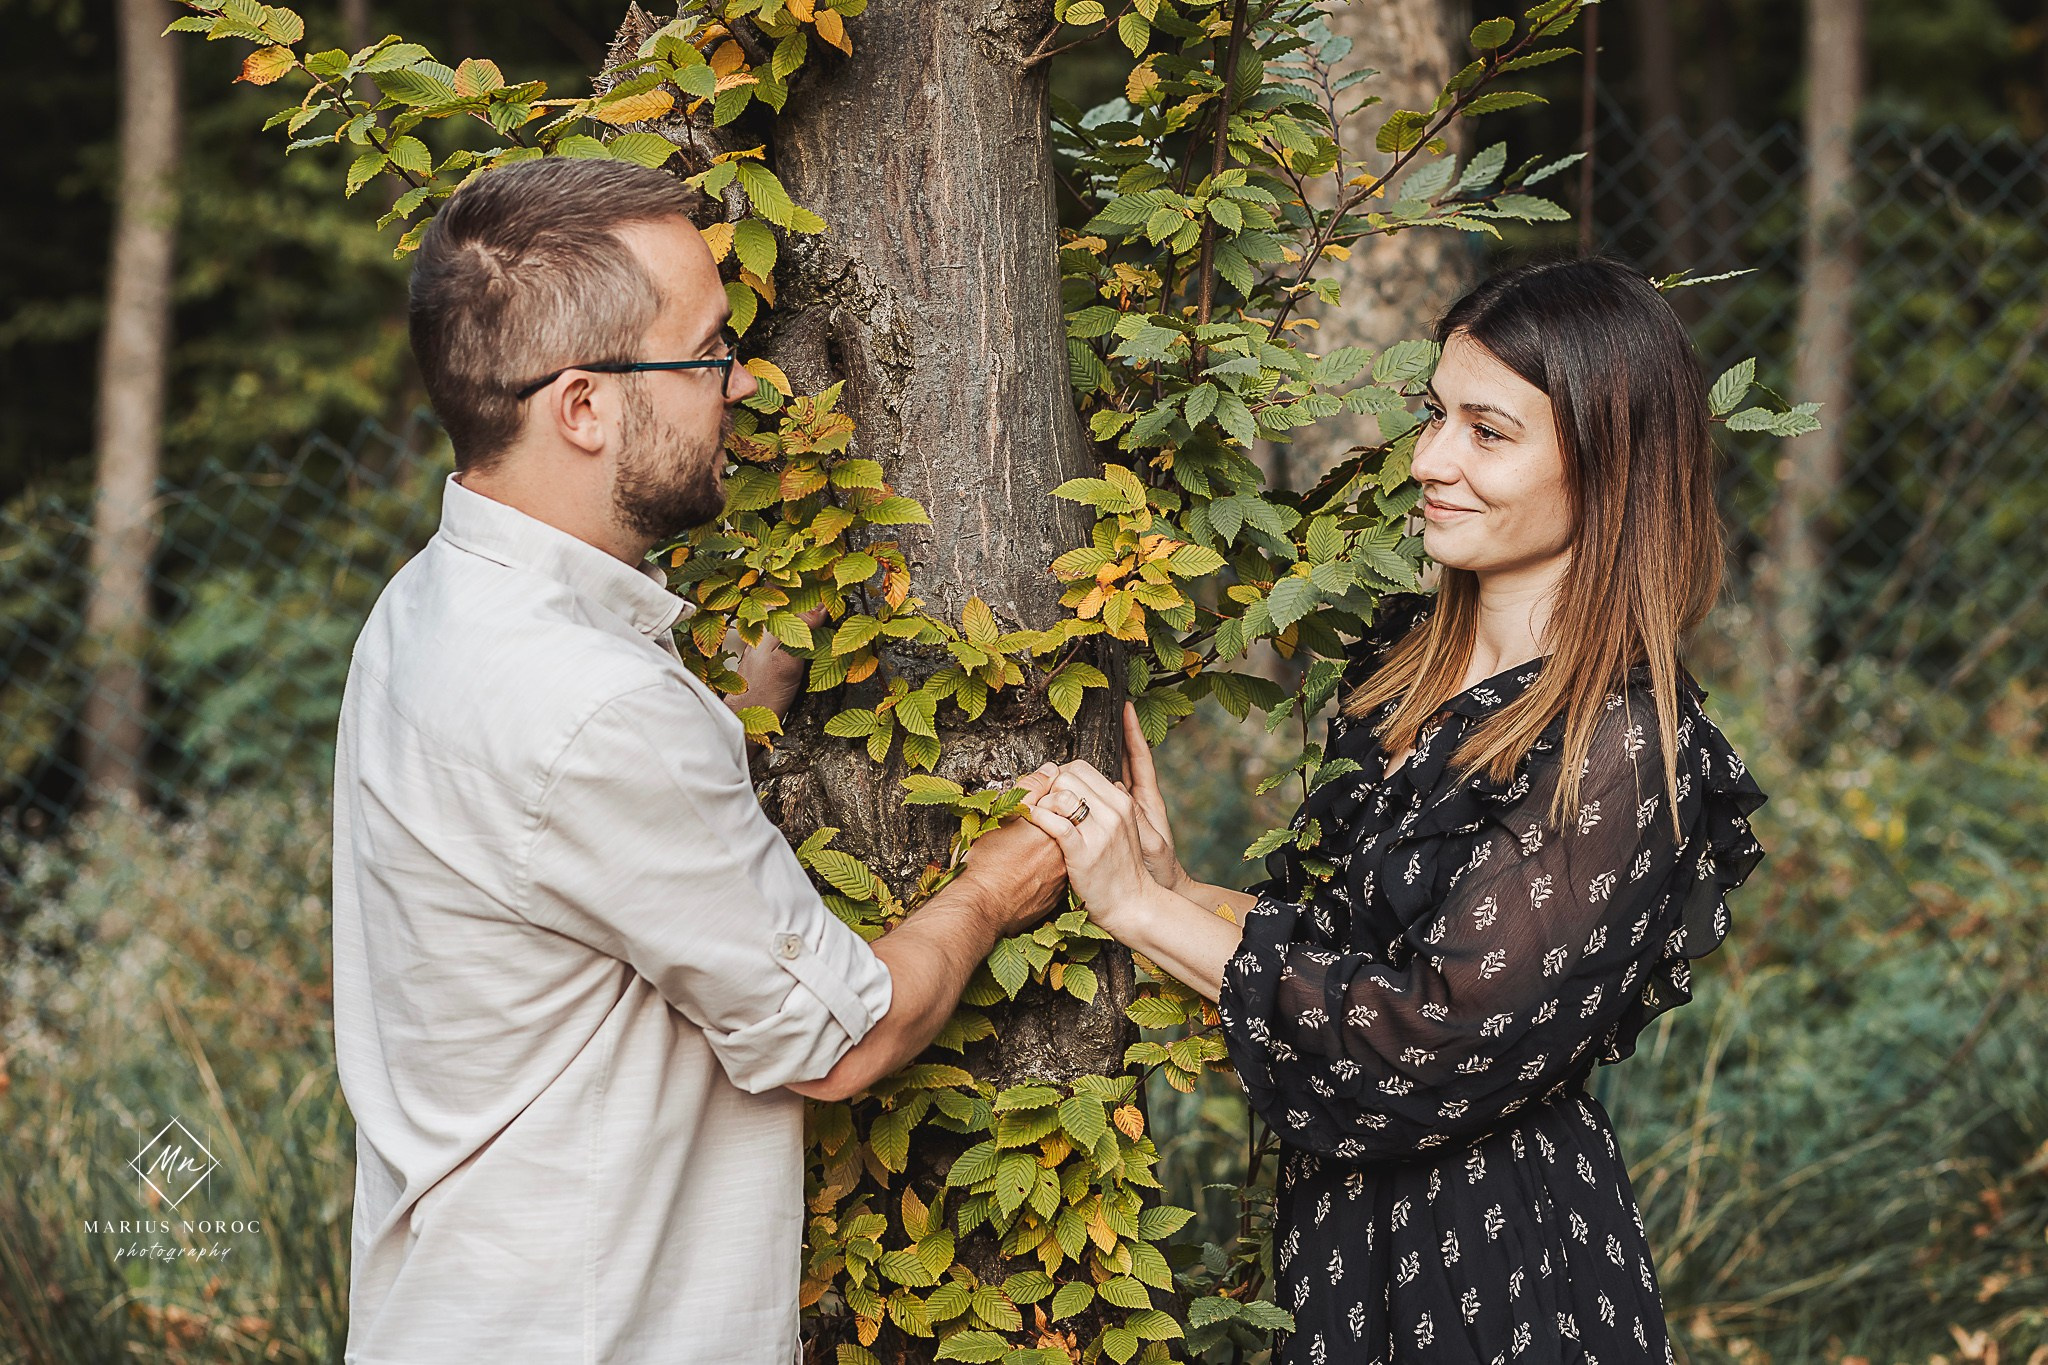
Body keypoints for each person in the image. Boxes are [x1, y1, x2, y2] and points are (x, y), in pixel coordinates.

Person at [329, 157, 1064, 1365]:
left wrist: (735, 699)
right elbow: (838, 1043)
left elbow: (569, 843)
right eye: (707, 352)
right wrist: (997, 884)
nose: (742, 384)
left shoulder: (427, 607)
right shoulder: (597, 706)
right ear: (583, 407)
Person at [1023, 257, 1771, 1362]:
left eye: (1486, 432)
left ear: (1608, 465)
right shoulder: (1406, 668)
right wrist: (1174, 886)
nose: (1429, 460)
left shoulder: (1621, 746)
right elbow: (1338, 961)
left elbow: (1425, 1034)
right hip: (1341, 1249)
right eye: (1434, 416)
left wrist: (1141, 911)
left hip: (1499, 1272)